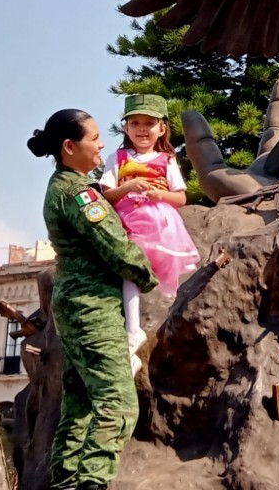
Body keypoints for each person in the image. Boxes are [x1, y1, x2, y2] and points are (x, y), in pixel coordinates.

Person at [27, 109, 159, 490]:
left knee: (81, 404)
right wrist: (150, 274)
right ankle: (92, 482)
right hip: (92, 307)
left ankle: (67, 482)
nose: (102, 144)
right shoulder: (79, 194)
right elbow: (114, 246)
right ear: (70, 147)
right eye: (94, 137)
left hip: (74, 306)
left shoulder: (63, 187)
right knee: (118, 402)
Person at [100, 94, 200, 370]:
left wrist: (159, 194)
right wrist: (128, 188)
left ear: (162, 128)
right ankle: (133, 330)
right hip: (126, 219)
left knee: (152, 274)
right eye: (135, 123)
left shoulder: (166, 159)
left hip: (156, 221)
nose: (142, 129)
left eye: (149, 123)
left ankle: (155, 328)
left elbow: (180, 198)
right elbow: (106, 194)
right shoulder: (117, 158)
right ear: (126, 128)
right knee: (129, 272)